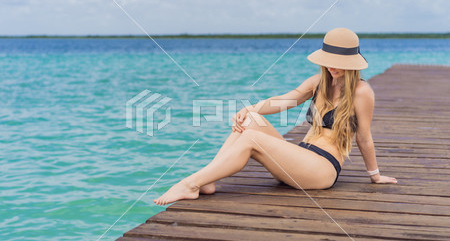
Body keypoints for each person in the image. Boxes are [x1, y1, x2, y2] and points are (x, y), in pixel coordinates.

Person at [153, 27, 397, 206]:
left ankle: (190, 183)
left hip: (322, 170)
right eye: (329, 62)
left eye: (339, 63)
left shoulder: (362, 92)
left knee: (251, 139)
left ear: (352, 64)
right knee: (250, 123)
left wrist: (374, 176)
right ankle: (208, 179)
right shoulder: (318, 82)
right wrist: (252, 109)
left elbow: (364, 138)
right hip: (304, 155)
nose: (332, 68)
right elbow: (284, 100)